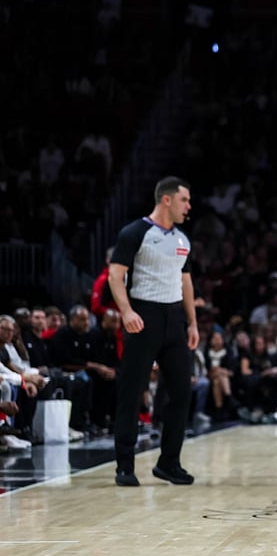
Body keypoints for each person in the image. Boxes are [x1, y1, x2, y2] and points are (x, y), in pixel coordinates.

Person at [108, 176, 199, 486]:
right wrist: (126, 311)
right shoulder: (135, 232)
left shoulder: (183, 239)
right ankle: (124, 465)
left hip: (174, 319)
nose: (189, 206)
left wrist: (192, 322)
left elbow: (186, 282)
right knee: (131, 391)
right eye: (185, 200)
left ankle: (168, 463)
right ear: (167, 200)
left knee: (182, 392)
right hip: (143, 315)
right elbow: (115, 276)